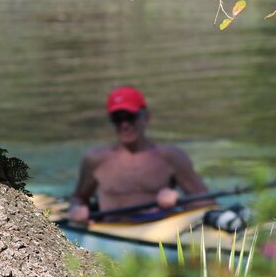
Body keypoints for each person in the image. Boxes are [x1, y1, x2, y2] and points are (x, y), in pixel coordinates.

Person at [68, 86, 210, 224]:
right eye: (117, 118)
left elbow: (207, 202)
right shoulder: (95, 160)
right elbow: (78, 198)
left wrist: (179, 201)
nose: (125, 124)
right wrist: (77, 209)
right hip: (113, 230)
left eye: (130, 117)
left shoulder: (171, 156)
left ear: (146, 116)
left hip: (160, 227)